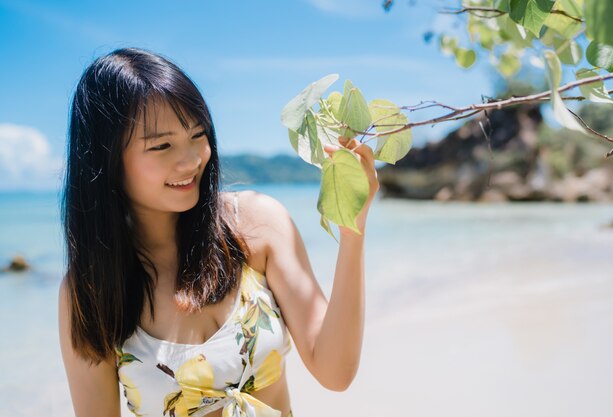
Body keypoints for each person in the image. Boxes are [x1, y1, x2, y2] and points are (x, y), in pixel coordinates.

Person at [58, 47, 379, 417]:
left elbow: (335, 371)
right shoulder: (89, 290)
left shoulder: (256, 223)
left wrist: (352, 229)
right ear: (106, 159)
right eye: (162, 145)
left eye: (197, 134)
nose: (192, 159)